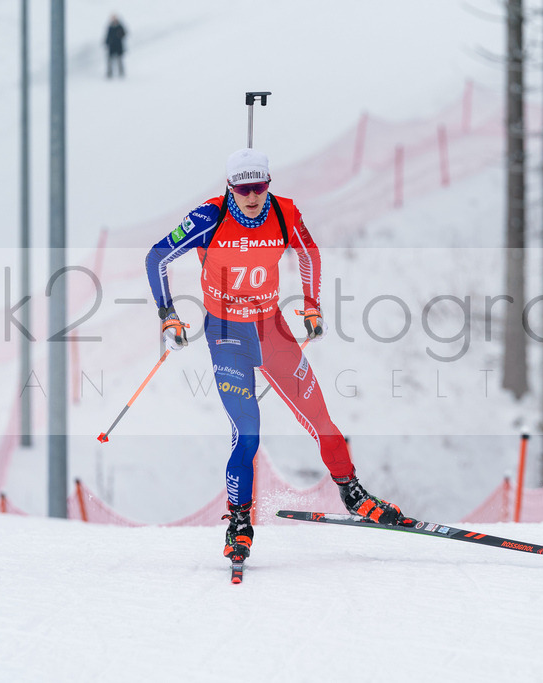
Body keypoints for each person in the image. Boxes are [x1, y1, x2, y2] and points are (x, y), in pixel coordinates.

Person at [145, 148, 411, 563]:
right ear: (230, 187)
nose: (252, 196)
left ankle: (353, 494)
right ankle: (239, 523)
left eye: (259, 187)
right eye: (243, 189)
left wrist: (311, 306)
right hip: (227, 334)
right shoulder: (209, 217)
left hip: (272, 330)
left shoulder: (285, 213)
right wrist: (168, 315)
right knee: (247, 433)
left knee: (321, 419)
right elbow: (157, 256)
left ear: (269, 183)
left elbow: (308, 253)